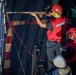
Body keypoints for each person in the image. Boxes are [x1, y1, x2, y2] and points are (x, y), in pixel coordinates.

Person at [30, 4, 67, 70]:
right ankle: (60, 68)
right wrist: (52, 15)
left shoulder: (52, 23)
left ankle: (51, 70)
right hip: (60, 41)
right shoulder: (64, 19)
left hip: (51, 42)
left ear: (55, 13)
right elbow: (58, 21)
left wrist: (35, 16)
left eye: (53, 12)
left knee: (50, 58)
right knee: (59, 56)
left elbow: (41, 25)